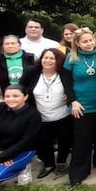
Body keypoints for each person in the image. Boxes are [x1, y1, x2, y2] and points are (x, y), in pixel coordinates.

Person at [62, 27, 96, 186]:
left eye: (91, 40)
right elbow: (67, 82)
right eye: (85, 41)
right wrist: (73, 101)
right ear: (77, 43)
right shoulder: (71, 58)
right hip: (81, 105)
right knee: (82, 140)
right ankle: (78, 172)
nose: (89, 44)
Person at [19, 48, 72, 178]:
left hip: (62, 115)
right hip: (40, 115)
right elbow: (22, 88)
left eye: (52, 58)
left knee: (65, 139)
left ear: (58, 61)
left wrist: (69, 96)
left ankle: (61, 162)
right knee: (43, 142)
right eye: (45, 57)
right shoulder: (32, 72)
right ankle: (48, 164)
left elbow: (72, 87)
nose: (47, 61)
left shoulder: (65, 73)